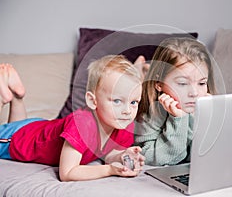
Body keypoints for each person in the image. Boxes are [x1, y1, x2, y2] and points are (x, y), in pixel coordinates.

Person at [0, 55, 145, 181]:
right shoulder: (82, 124)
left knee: (19, 127)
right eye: (117, 101)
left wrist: (121, 156)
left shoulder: (123, 124)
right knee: (13, 133)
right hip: (19, 138)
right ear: (92, 101)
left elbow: (108, 153)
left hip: (38, 127)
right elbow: (68, 173)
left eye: (133, 102)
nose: (127, 111)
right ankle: (3, 96)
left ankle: (16, 98)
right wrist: (109, 170)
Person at [134, 37, 217, 166]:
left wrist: (198, 118)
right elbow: (150, 158)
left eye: (201, 83)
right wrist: (179, 119)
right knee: (128, 86)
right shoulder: (151, 113)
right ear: (159, 83)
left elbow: (202, 155)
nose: (194, 93)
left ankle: (143, 69)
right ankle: (138, 70)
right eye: (183, 83)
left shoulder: (208, 106)